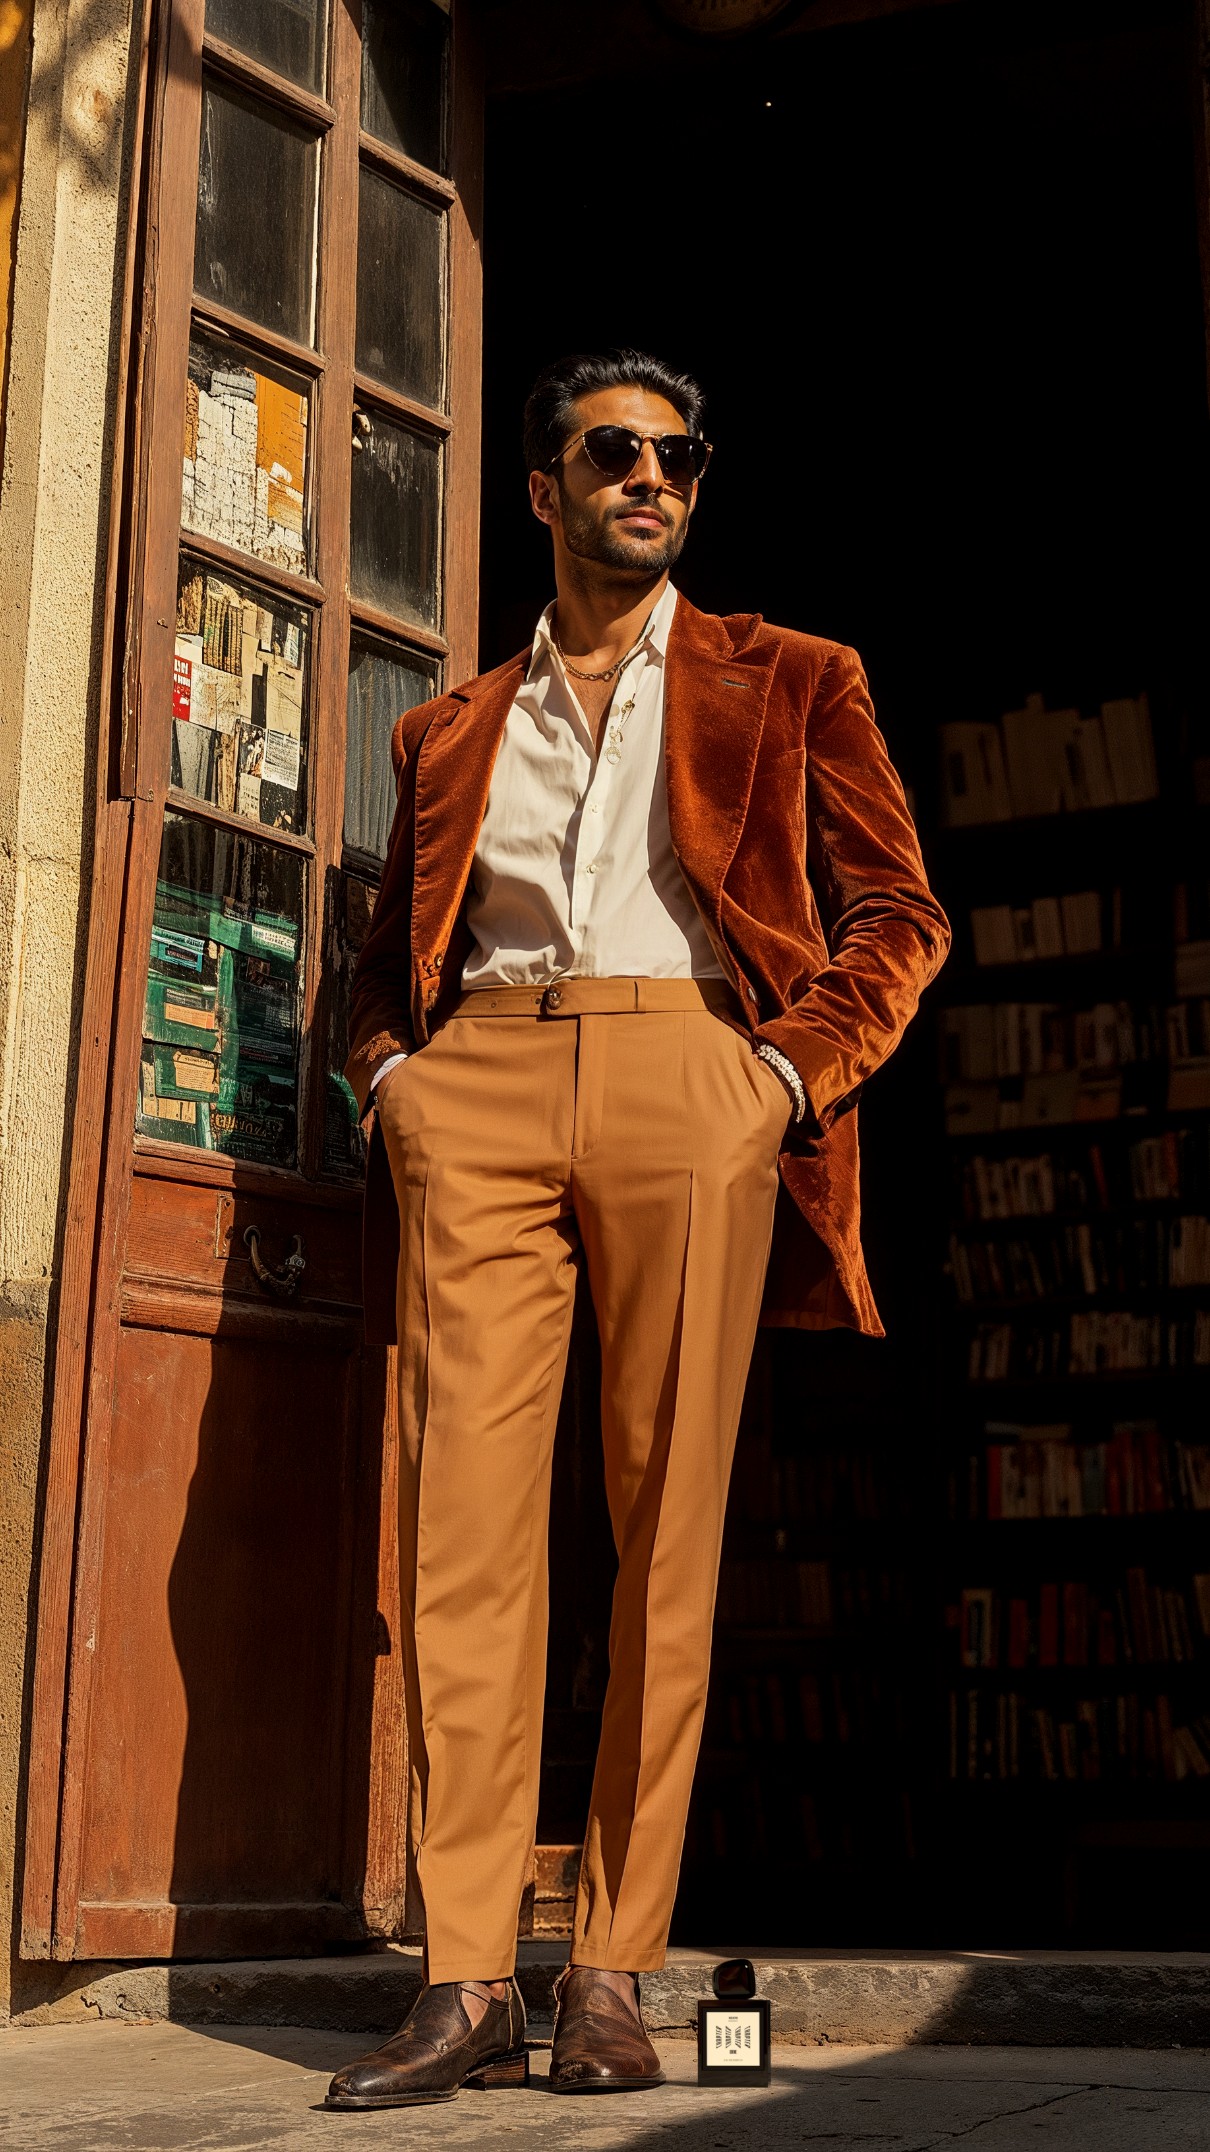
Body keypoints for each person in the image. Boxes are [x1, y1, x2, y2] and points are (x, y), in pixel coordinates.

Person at [325, 349, 949, 2111]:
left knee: (665, 1528)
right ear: (542, 487)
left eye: (678, 457)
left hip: (693, 1076)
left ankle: (607, 1970)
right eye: (613, 453)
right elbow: (383, 968)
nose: (651, 479)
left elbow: (897, 912)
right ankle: (458, 1982)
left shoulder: (793, 675)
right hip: (486, 1094)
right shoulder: (446, 731)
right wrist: (395, 1085)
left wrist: (777, 1077)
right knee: (460, 1534)